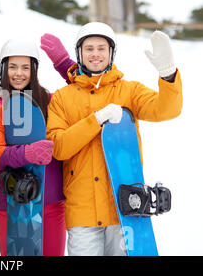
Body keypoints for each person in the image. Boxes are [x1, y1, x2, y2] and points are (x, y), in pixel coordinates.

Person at [46, 22, 183, 256]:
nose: (96, 54)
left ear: (111, 53)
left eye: (102, 48)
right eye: (89, 49)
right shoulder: (62, 98)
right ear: (79, 54)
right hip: (82, 213)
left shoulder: (128, 91)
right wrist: (96, 120)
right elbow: (58, 148)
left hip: (123, 209)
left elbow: (166, 110)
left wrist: (168, 74)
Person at [0, 38, 72, 256]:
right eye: (12, 67)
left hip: (51, 202)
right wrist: (26, 153)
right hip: (13, 202)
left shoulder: (51, 101)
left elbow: (83, 91)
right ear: (3, 69)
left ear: (34, 70)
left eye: (25, 67)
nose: (18, 73)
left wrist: (64, 64)